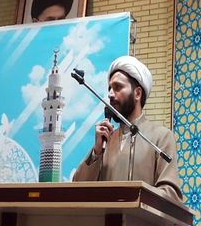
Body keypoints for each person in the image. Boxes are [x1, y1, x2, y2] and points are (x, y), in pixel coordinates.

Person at [73, 55, 183, 203]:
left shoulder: (161, 137)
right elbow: (77, 191)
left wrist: (136, 199)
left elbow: (170, 195)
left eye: (117, 87)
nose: (110, 94)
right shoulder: (105, 141)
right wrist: (96, 152)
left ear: (137, 93)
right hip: (105, 219)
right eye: (109, 89)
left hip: (143, 219)